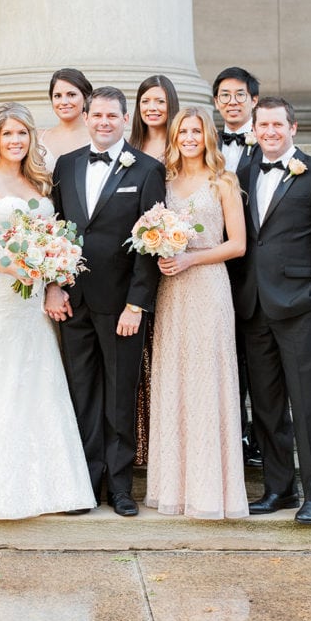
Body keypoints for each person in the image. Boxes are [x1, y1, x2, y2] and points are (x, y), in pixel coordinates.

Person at [0, 103, 95, 518]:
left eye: (22, 134)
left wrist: (49, 278)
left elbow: (51, 240)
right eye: (7, 134)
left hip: (33, 295)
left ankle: (51, 484)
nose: (15, 141)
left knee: (34, 374)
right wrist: (14, 267)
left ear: (31, 139)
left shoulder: (40, 184)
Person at [49, 87, 165, 516]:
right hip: (73, 301)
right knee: (82, 392)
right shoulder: (67, 164)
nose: (102, 122)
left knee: (120, 394)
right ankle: (85, 483)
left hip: (121, 307)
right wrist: (53, 285)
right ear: (87, 117)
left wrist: (137, 304)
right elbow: (57, 231)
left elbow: (151, 244)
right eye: (96, 115)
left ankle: (119, 487)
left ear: (124, 118)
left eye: (111, 116)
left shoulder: (148, 169)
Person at [235, 97, 311, 525]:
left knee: (310, 403)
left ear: (293, 128)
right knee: (266, 406)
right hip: (254, 306)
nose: (270, 132)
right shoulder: (243, 173)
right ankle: (279, 489)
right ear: (255, 129)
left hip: (300, 306)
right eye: (263, 125)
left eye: (278, 125)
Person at [145, 106, 248, 519]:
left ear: (208, 136)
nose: (189, 137)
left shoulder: (223, 181)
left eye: (196, 131)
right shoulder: (164, 181)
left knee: (208, 382)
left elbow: (237, 244)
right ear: (173, 137)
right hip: (171, 290)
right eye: (183, 131)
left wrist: (191, 259)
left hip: (207, 287)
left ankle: (210, 492)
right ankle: (174, 487)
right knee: (174, 381)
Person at [128, 73, 180, 466]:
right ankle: (142, 441)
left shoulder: (183, 145)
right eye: (146, 100)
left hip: (178, 263)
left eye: (160, 101)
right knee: (141, 355)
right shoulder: (128, 149)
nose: (153, 108)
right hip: (136, 264)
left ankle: (170, 440)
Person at [212, 66, 263, 468]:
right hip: (211, 272)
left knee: (252, 359)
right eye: (225, 95)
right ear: (216, 102)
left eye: (239, 95)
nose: (232, 101)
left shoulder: (269, 144)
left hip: (254, 273)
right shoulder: (204, 143)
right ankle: (229, 434)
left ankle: (257, 438)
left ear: (254, 101)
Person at [37, 68, 92, 171]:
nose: (64, 102)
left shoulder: (98, 138)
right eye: (57, 96)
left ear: (86, 98)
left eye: (71, 95)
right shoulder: (39, 138)